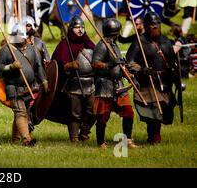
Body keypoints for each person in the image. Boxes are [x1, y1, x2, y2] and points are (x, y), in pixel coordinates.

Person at [126, 12, 180, 144]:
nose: (155, 27)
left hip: (165, 83)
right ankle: (154, 136)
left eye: (157, 24)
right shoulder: (139, 42)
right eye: (152, 25)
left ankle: (155, 134)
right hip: (148, 82)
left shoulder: (166, 41)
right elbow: (130, 62)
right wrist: (142, 70)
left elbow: (173, 62)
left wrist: (175, 76)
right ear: (146, 26)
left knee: (166, 110)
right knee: (154, 110)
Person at [0, 23, 48, 146]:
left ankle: (15, 139)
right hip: (14, 88)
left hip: (29, 87)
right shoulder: (7, 50)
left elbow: (38, 67)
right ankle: (26, 139)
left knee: (24, 113)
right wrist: (11, 67)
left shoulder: (31, 49)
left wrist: (44, 81)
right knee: (20, 112)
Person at [92, 18, 139, 149]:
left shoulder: (114, 45)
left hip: (118, 85)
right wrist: (110, 64)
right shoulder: (102, 46)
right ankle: (101, 143)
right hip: (105, 85)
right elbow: (95, 64)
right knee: (102, 116)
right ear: (116, 33)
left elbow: (120, 66)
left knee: (128, 112)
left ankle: (127, 140)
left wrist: (131, 77)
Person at [51, 15, 95, 143]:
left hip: (89, 84)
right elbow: (58, 64)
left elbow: (97, 56)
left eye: (82, 27)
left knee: (93, 110)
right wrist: (69, 65)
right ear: (71, 30)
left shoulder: (87, 42)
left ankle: (85, 133)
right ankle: (74, 138)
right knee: (75, 113)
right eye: (77, 27)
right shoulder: (65, 45)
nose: (80, 30)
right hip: (72, 83)